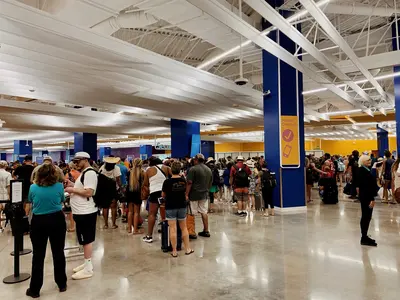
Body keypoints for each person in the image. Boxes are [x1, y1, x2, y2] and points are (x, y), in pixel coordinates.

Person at [26, 164, 67, 298]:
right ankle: (62, 283)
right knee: (58, 252)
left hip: (39, 222)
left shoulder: (33, 187)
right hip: (57, 220)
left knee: (38, 255)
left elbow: (31, 200)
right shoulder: (59, 186)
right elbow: (62, 200)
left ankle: (35, 289)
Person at [64, 152, 98, 280]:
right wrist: (73, 185)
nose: (76, 164)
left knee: (86, 239)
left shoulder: (89, 173)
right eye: (75, 161)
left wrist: (72, 190)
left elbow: (89, 192)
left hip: (86, 212)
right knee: (83, 239)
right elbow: (83, 188)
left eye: (78, 161)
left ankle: (88, 268)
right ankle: (86, 262)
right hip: (81, 211)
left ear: (85, 160)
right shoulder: (84, 173)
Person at [162, 161, 194, 257]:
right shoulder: (183, 180)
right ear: (179, 170)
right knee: (183, 228)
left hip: (170, 206)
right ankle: (187, 248)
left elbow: (163, 195)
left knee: (172, 228)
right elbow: (186, 192)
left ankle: (174, 251)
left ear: (171, 170)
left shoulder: (167, 182)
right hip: (182, 206)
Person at [142, 156, 172, 243]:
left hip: (154, 193)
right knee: (166, 214)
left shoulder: (148, 170)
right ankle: (168, 233)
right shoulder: (167, 168)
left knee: (152, 214)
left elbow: (145, 184)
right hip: (165, 193)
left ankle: (149, 236)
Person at [185, 153, 212, 238]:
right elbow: (210, 183)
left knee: (191, 212)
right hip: (204, 194)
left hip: (193, 194)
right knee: (204, 212)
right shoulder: (208, 169)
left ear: (196, 160)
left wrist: (186, 194)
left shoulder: (193, 169)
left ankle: (191, 232)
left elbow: (189, 183)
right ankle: (206, 230)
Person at [355, 155, 377, 246]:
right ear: (363, 161)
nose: (370, 161)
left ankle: (364, 236)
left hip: (365, 196)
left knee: (366, 216)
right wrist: (372, 199)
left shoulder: (364, 170)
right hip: (367, 197)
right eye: (368, 160)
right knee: (366, 216)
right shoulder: (363, 172)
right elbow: (367, 186)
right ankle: (364, 237)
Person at [99, 156, 121, 229]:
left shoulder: (102, 167)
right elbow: (118, 179)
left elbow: (99, 176)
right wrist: (121, 188)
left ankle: (106, 224)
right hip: (113, 188)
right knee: (113, 207)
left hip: (104, 189)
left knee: (105, 207)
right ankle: (113, 224)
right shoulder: (116, 168)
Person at [126, 158, 145, 234]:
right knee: (137, 212)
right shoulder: (142, 172)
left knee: (130, 212)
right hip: (138, 193)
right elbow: (143, 184)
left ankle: (129, 229)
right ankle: (136, 230)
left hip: (130, 192)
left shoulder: (129, 172)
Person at [0, 160, 11, 231]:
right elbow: (8, 186)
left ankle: (0, 226)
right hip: (4, 194)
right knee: (6, 210)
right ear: (6, 166)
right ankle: (6, 225)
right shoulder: (8, 174)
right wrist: (10, 196)